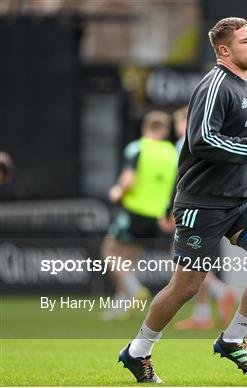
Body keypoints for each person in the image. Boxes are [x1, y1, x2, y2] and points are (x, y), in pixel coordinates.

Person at [118, 17, 247, 382]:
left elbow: (234, 143)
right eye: (245, 41)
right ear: (224, 50)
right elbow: (201, 141)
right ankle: (138, 350)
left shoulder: (245, 85)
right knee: (187, 285)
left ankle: (233, 338)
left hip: (240, 200)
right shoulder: (215, 85)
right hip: (202, 203)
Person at [101, 111, 178, 321]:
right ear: (165, 130)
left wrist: (117, 190)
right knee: (128, 259)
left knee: (110, 252)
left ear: (145, 127)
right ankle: (121, 306)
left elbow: (128, 180)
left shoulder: (138, 148)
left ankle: (135, 291)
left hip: (134, 211)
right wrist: (169, 213)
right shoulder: (172, 152)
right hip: (156, 216)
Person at [172, 106, 237, 331]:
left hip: (192, 210)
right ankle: (202, 314)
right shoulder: (214, 141)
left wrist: (168, 212)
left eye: (179, 122)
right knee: (197, 263)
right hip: (215, 209)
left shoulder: (185, 143)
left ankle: (220, 291)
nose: (177, 128)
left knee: (185, 263)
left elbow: (179, 181)